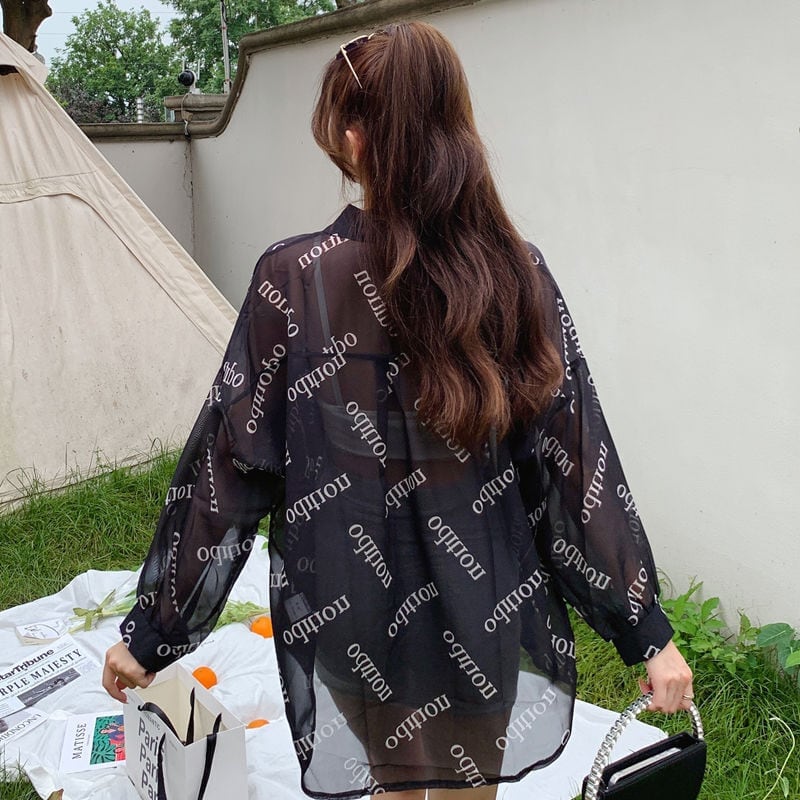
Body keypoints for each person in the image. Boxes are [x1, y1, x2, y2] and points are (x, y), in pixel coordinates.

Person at [103, 21, 693, 800]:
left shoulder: (296, 279)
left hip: (354, 595)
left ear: (353, 138)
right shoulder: (518, 275)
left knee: (396, 782)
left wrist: (153, 633)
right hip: (484, 598)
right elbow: (575, 466)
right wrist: (646, 631)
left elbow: (229, 471)